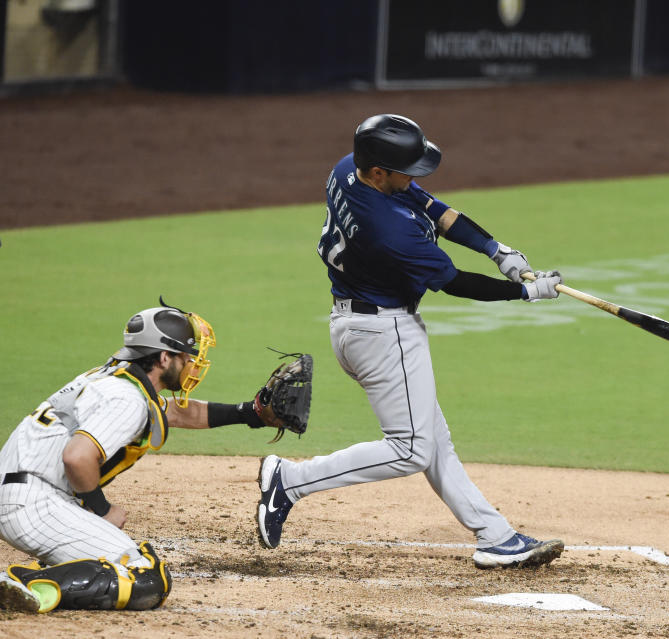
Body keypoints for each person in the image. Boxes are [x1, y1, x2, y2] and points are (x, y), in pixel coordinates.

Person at [256, 114, 565, 569]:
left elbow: (438, 212)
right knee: (411, 448)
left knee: (434, 440)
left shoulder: (350, 167)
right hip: (384, 334)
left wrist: (497, 250)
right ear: (379, 171)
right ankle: (291, 480)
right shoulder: (388, 231)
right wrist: (524, 290)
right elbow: (456, 283)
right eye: (408, 169)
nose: (415, 176)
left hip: (359, 325)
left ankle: (495, 536)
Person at [0, 302, 279, 613]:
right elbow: (77, 457)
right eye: (185, 355)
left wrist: (249, 413)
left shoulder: (116, 378)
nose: (191, 363)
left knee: (107, 561)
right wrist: (102, 509)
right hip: (33, 504)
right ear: (163, 357)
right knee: (144, 575)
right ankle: (18, 584)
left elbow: (171, 412)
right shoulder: (127, 398)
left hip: (21, 491)